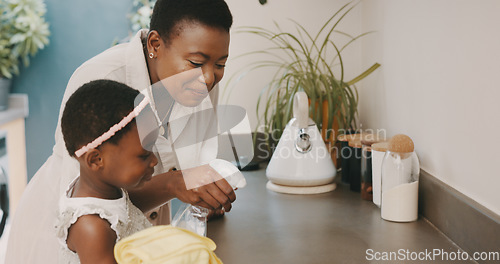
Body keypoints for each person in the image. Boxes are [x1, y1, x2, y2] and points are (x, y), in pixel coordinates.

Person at [6, 0, 237, 263]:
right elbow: (95, 198)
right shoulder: (100, 78)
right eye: (196, 62)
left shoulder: (202, 84)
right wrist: (176, 183)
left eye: (220, 65)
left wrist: (205, 193)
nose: (208, 78)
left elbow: (194, 164)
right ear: (155, 44)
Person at [56, 80, 155, 263]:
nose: (154, 160)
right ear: (96, 160)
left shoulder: (105, 188)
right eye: (144, 155)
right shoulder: (92, 228)